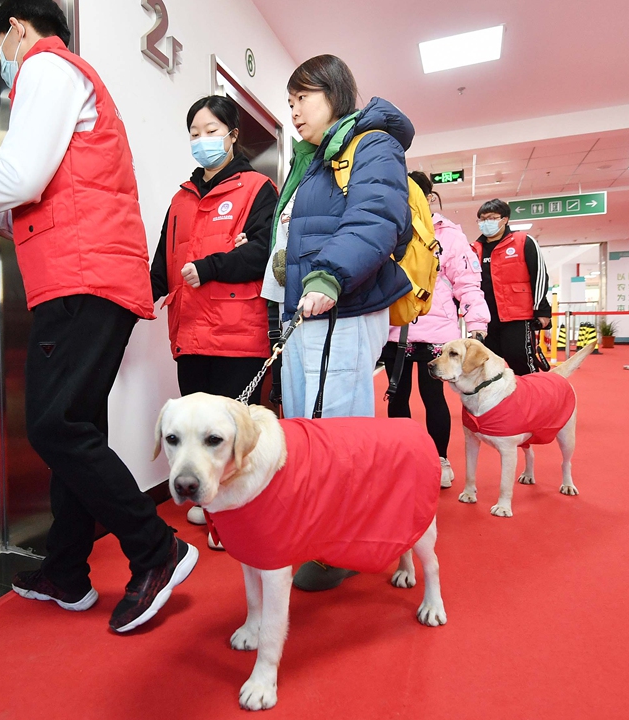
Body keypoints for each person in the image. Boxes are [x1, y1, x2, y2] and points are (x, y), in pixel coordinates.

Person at [0, 0, 197, 633]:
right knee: (73, 426)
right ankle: (66, 571)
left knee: (54, 428)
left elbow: (21, 177)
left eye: (1, 50)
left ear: (15, 31)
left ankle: (156, 551)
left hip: (83, 279)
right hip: (87, 275)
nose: (3, 64)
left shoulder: (47, 67)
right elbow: (38, 198)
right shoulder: (70, 78)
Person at [260, 55, 415, 592]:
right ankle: (323, 532)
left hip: (342, 304)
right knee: (308, 424)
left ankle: (344, 545)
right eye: (290, 101)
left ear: (334, 93)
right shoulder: (313, 158)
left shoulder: (370, 143)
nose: (294, 110)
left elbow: (376, 219)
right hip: (308, 309)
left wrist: (327, 276)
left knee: (337, 429)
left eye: (303, 97)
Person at [150, 96, 278, 548]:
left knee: (234, 437)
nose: (202, 141)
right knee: (196, 437)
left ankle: (240, 515)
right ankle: (211, 504)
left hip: (237, 333)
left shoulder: (258, 188)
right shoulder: (180, 198)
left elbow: (264, 252)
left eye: (210, 131)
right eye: (194, 133)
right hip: (189, 334)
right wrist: (136, 301)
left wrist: (212, 266)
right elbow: (162, 262)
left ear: (232, 134)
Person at [379, 172, 490, 489]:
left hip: (437, 333)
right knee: (397, 397)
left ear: (428, 198)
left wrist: (477, 324)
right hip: (395, 331)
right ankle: (403, 458)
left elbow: (467, 282)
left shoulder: (449, 235)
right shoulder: (388, 229)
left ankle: (440, 460)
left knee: (433, 397)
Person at [473, 199, 552, 375]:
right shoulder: (475, 248)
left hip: (517, 317)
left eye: (492, 218)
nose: (486, 223)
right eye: (482, 219)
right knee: (488, 368)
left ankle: (534, 400)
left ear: (505, 219)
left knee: (521, 361)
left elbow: (539, 276)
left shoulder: (523, 241)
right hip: (487, 320)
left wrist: (542, 311)